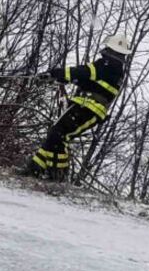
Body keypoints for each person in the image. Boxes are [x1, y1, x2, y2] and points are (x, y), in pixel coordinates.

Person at [22, 32, 133, 181]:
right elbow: (88, 81)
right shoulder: (115, 70)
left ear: (111, 51)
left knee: (60, 135)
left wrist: (53, 74)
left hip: (87, 108)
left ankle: (56, 175)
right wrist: (65, 79)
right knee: (56, 133)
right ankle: (35, 168)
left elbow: (81, 73)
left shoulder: (105, 66)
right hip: (88, 108)